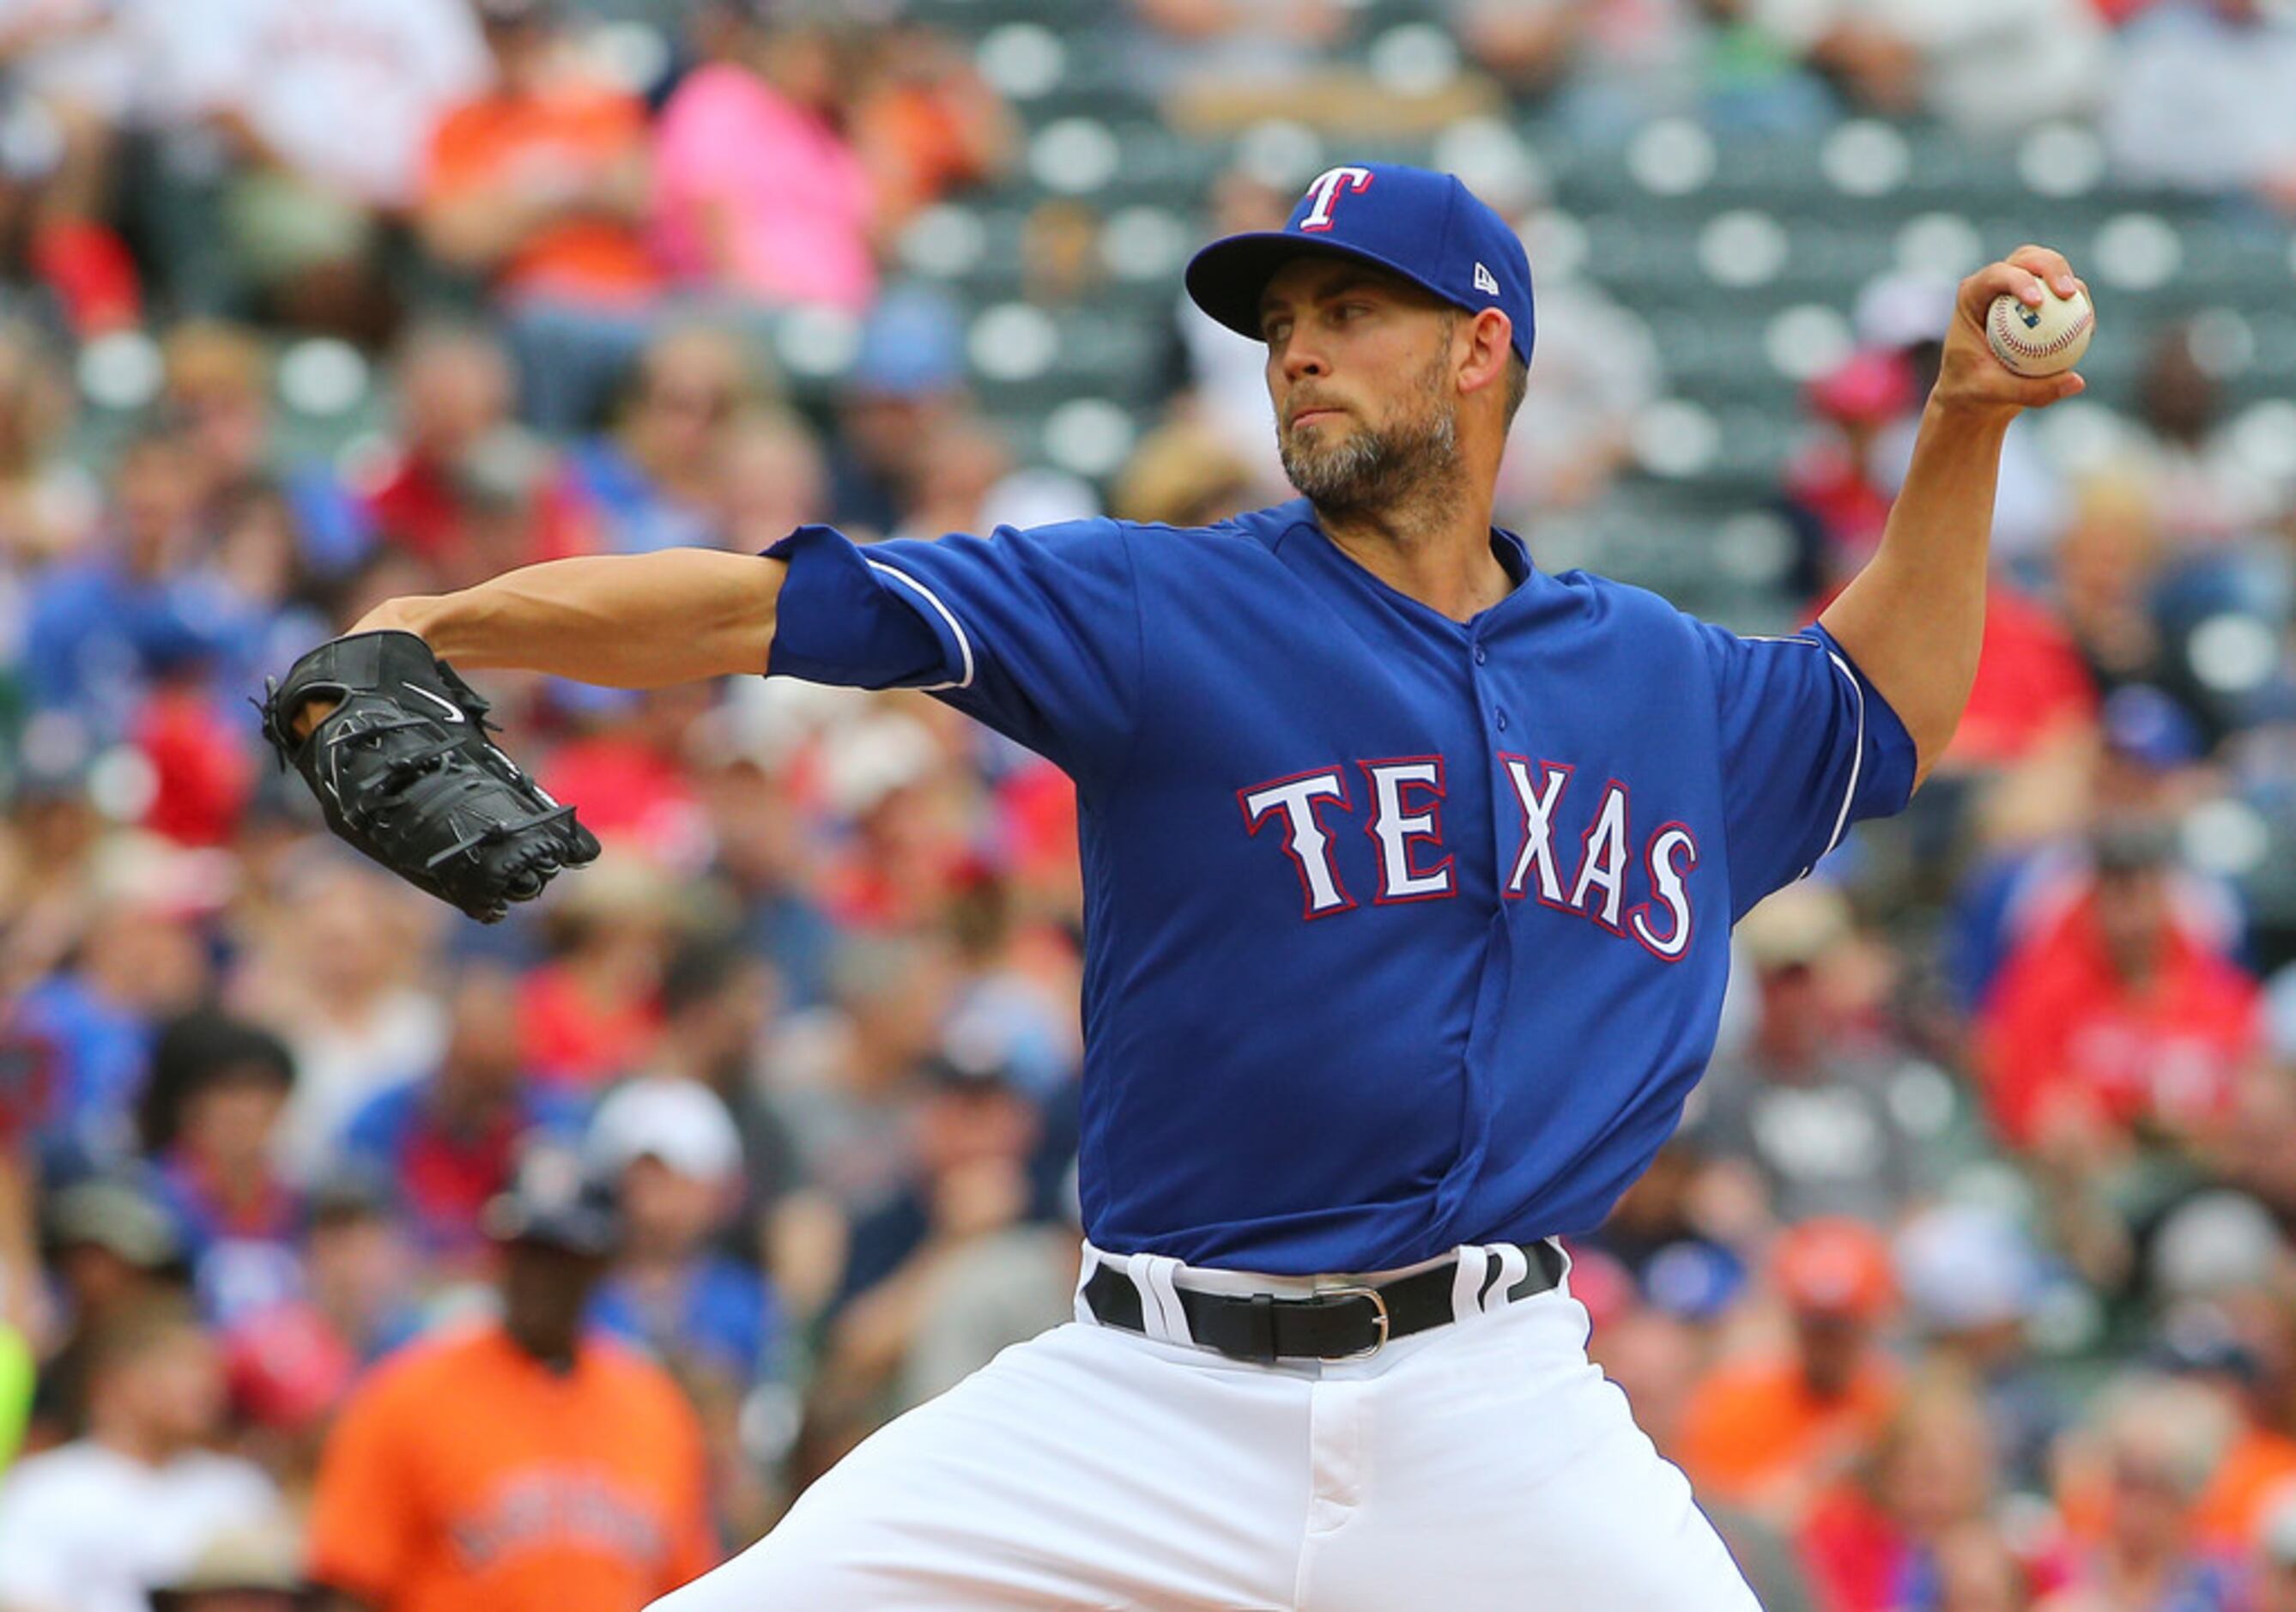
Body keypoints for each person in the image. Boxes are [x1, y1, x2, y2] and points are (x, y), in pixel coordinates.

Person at [294, 161, 2089, 1608]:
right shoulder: (1161, 607)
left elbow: (1875, 707)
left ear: (1479, 351)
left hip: (1490, 1408)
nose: (1294, 351)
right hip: (1143, 1395)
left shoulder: (1649, 680)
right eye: (1278, 321)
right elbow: (764, 606)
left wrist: (1959, 427)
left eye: (1347, 312)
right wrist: (440, 621)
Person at [305, 1152, 717, 1611]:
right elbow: (345, 1591)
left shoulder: (655, 1408)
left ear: (600, 1264)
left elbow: (689, 1589)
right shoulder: (403, 1397)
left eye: (561, 1257)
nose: (538, 1277)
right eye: (526, 1252)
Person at [0, 1297, 283, 1612]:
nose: (203, 1386)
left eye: (208, 1370)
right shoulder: (43, 1487)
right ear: (112, 1383)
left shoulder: (240, 1486)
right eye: (181, 1366)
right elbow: (19, 1599)